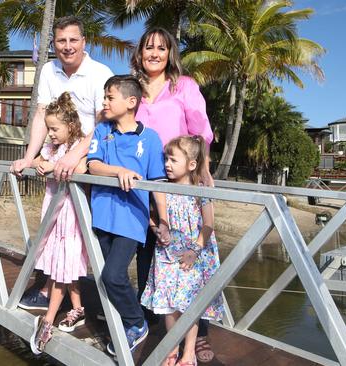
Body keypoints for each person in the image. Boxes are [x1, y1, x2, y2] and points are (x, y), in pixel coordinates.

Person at [11, 16, 113, 311]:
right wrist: (31, 157)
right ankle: (51, 288)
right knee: (54, 222)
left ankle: (102, 304)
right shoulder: (48, 70)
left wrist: (77, 155)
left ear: (84, 42)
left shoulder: (99, 73)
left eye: (73, 40)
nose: (67, 47)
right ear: (54, 43)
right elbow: (42, 116)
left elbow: (102, 122)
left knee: (82, 230)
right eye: (61, 41)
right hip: (58, 155)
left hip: (89, 154)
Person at [131, 27, 216, 363]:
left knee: (191, 261)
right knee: (148, 252)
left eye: (161, 48)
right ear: (140, 52)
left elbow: (201, 132)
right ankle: (160, 328)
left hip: (180, 185)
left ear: (170, 54)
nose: (154, 53)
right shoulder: (132, 89)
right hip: (142, 183)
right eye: (148, 47)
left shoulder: (185, 86)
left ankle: (201, 333)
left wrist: (203, 170)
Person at [87, 75, 169, 355]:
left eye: (110, 97)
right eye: (105, 97)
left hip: (131, 220)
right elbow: (94, 166)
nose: (105, 102)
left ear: (131, 102)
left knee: (112, 275)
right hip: (101, 216)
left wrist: (164, 220)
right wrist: (118, 171)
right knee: (109, 275)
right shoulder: (102, 131)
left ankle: (137, 323)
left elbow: (157, 183)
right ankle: (126, 318)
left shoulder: (151, 138)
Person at [141, 136, 224, 366]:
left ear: (191, 164)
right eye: (166, 159)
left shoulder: (201, 190)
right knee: (169, 304)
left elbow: (208, 225)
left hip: (193, 255)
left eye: (173, 160)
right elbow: (154, 217)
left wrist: (195, 251)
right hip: (168, 254)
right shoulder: (162, 188)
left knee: (190, 304)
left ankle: (188, 352)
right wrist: (157, 229)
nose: (167, 164)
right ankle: (171, 347)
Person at [29, 92, 89, 354]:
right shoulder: (52, 148)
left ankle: (48, 319)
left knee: (63, 266)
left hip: (70, 215)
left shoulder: (77, 149)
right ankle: (78, 309)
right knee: (62, 263)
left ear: (71, 127)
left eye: (55, 129)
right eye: (49, 128)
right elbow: (39, 160)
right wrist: (39, 163)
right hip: (54, 213)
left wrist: (54, 167)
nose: (50, 134)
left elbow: (82, 168)